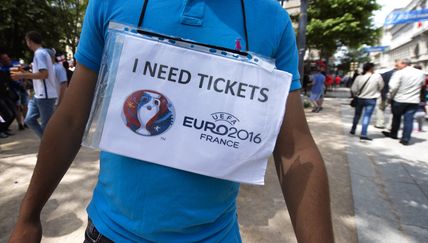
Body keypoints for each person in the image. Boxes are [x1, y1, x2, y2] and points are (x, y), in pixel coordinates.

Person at [8, 1, 334, 243]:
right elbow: (70, 119)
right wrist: (28, 216)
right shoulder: (111, 3)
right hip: (109, 234)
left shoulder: (271, 21)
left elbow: (294, 149)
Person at [11, 31, 58, 138]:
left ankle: (48, 149)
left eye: (27, 41)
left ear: (29, 41)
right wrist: (25, 73)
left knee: (46, 126)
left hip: (45, 95)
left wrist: (22, 76)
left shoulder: (39, 54)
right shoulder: (42, 53)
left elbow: (43, 74)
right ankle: (47, 145)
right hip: (40, 95)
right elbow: (42, 74)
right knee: (29, 120)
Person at [382, 59, 425, 145]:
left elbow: (393, 87)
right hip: (413, 100)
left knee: (396, 117)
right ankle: (405, 139)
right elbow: (422, 85)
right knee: (409, 120)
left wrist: (390, 97)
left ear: (404, 64)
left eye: (397, 65)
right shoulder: (420, 73)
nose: (396, 67)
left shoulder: (399, 73)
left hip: (399, 99)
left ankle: (394, 134)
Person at [350, 63, 384, 140]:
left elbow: (353, 89)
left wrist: (357, 94)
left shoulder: (359, 77)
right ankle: (363, 134)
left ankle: (353, 129)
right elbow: (381, 86)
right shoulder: (377, 77)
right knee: (367, 116)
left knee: (357, 115)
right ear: (371, 68)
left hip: (360, 98)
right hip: (371, 99)